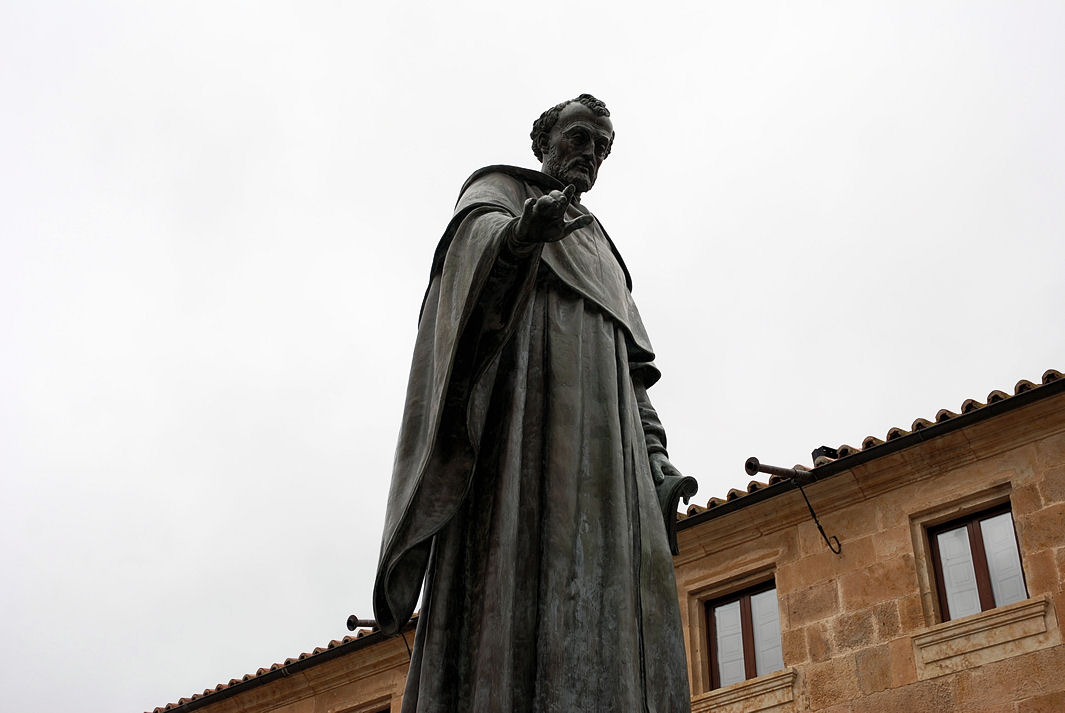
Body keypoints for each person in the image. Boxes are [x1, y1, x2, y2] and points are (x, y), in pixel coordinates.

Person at [373, 94, 692, 713]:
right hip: (522, 424)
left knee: (608, 594)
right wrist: (522, 237)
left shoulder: (606, 253)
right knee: (513, 570)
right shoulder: (499, 193)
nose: (591, 154)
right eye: (580, 137)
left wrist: (655, 456)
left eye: (602, 147)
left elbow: (634, 376)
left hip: (607, 455)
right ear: (545, 141)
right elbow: (466, 283)